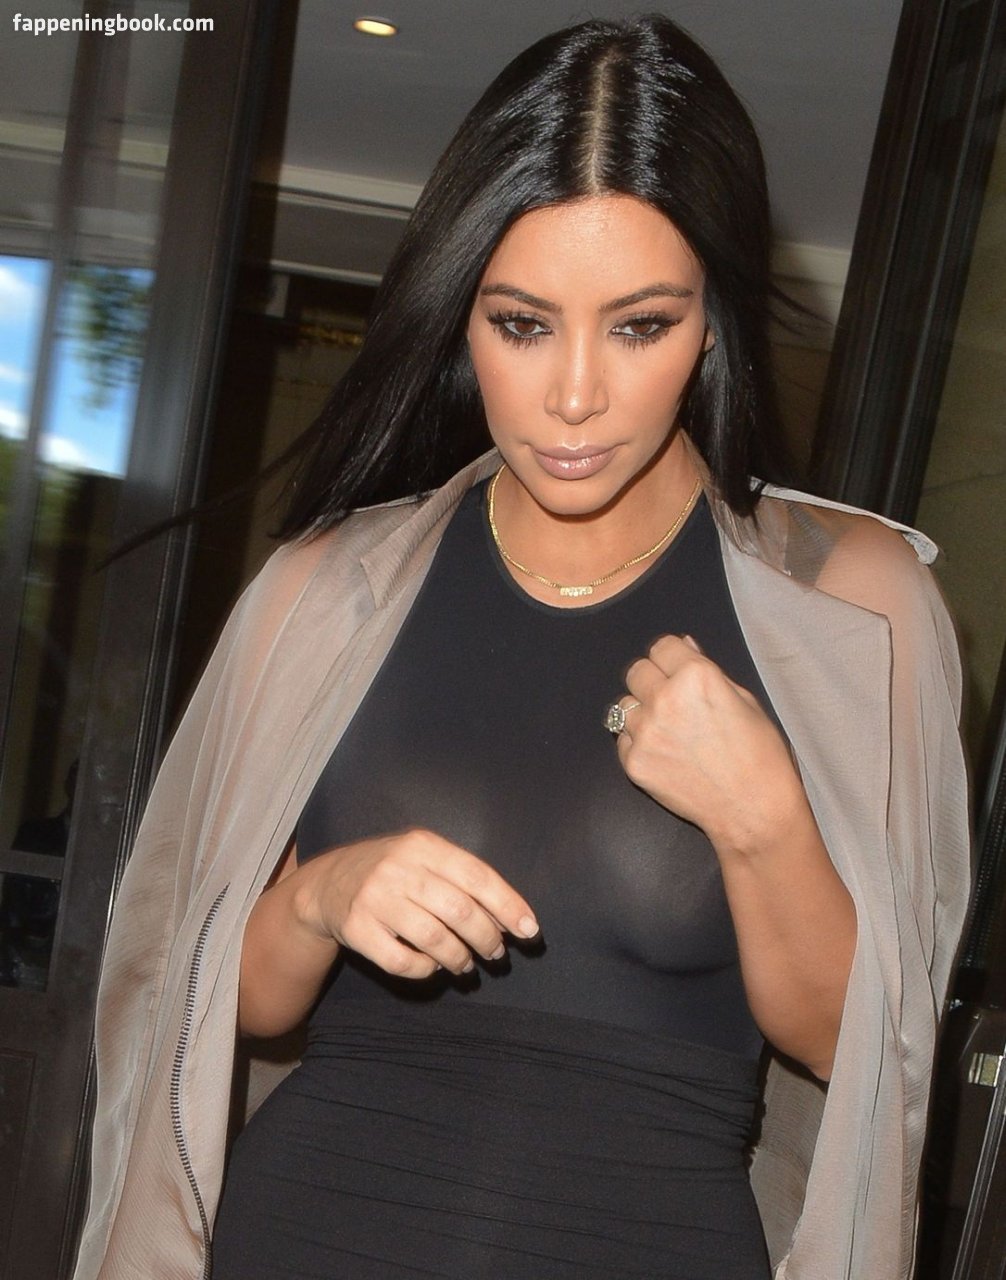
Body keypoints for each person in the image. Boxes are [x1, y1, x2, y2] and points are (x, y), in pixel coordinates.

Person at [73, 15, 970, 1280]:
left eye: (639, 325)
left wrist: (761, 817)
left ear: (713, 323)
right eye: (523, 323)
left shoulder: (849, 598)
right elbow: (238, 1004)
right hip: (309, 1229)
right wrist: (321, 896)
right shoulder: (327, 589)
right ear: (461, 320)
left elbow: (856, 1049)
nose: (573, 395)